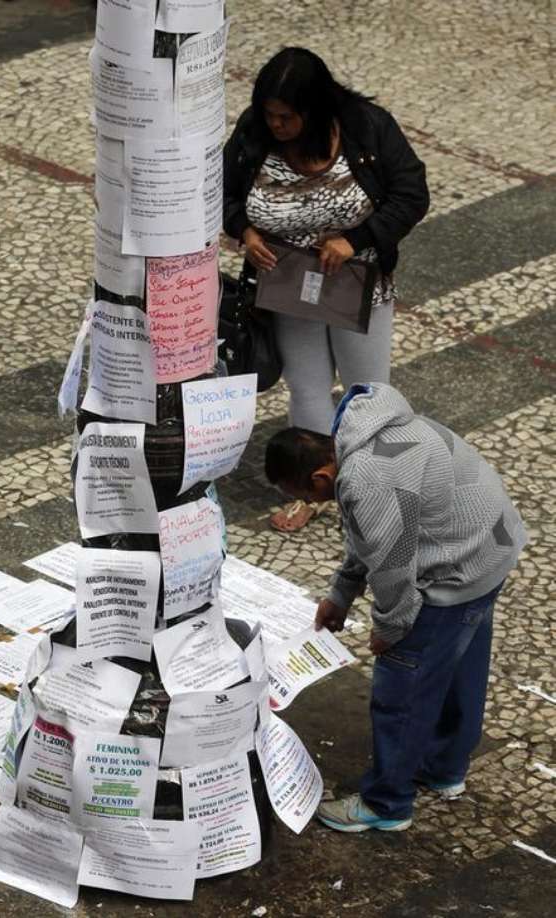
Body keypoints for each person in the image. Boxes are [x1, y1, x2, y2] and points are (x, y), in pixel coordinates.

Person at [264, 383, 527, 832]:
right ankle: (445, 770)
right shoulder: (367, 431)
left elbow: (391, 569)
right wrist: (341, 595)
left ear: (320, 479)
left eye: (307, 497)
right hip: (491, 551)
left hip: (454, 571)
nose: (310, 505)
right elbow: (375, 535)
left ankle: (387, 804)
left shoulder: (364, 481)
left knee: (402, 690)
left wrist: (390, 630)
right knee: (460, 667)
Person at [224, 48, 429, 532]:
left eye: (286, 117)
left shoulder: (365, 127)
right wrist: (245, 232)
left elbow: (410, 193)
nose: (276, 125)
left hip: (357, 283)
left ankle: (374, 487)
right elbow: (224, 192)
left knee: (368, 393)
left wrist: (355, 240)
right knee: (308, 386)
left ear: (314, 110)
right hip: (289, 284)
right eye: (270, 115)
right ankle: (312, 487)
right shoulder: (253, 134)